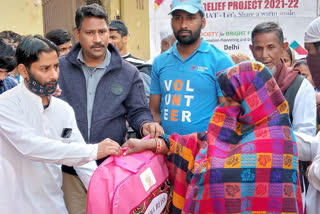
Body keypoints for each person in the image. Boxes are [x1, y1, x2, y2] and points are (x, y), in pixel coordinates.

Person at [124, 61, 303, 213]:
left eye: (232, 102)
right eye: (224, 101)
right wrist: (153, 144)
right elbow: (199, 142)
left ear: (253, 101)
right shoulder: (230, 130)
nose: (224, 108)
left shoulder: (280, 143)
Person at [58, 4, 163, 214]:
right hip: (69, 168)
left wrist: (145, 125)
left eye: (102, 31)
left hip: (110, 168)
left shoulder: (128, 72)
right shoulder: (60, 68)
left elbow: (138, 111)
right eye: (90, 33)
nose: (97, 39)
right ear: (78, 34)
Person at [0, 35, 122, 214]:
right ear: (24, 71)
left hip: (54, 206)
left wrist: (109, 200)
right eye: (45, 68)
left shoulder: (63, 110)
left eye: (56, 66)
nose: (53, 75)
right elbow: (30, 147)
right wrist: (93, 150)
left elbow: (84, 163)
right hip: (14, 207)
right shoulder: (6, 105)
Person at [250, 21, 316, 211]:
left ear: (283, 48)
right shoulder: (245, 86)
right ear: (251, 50)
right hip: (250, 181)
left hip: (287, 182)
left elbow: (306, 146)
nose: (265, 55)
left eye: (271, 47)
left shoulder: (300, 87)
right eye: (259, 48)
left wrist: (263, 139)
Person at [150, 0, 234, 135]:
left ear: (203, 22)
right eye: (178, 18)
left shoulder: (221, 61)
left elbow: (229, 114)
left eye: (191, 18)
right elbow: (154, 111)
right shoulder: (160, 62)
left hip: (204, 151)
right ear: (172, 22)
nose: (184, 25)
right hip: (166, 149)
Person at [294, 16, 320, 214]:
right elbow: (314, 146)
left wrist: (313, 171)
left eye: (310, 52)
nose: (309, 59)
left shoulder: (299, 88)